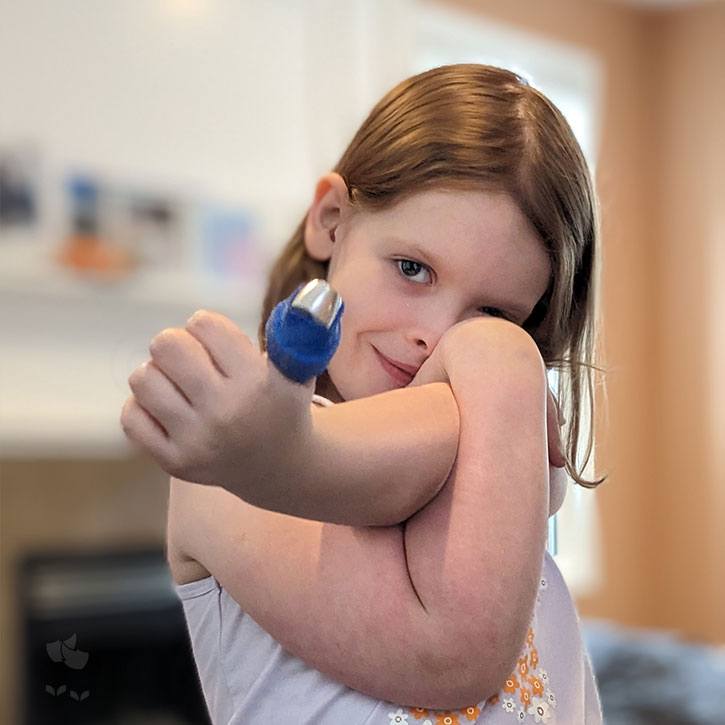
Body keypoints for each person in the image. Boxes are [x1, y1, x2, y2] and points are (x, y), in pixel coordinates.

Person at [120, 63, 607, 723]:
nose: (436, 336)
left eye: (493, 313)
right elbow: (452, 656)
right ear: (330, 219)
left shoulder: (509, 461)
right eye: (412, 268)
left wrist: (503, 373)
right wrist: (498, 361)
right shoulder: (225, 475)